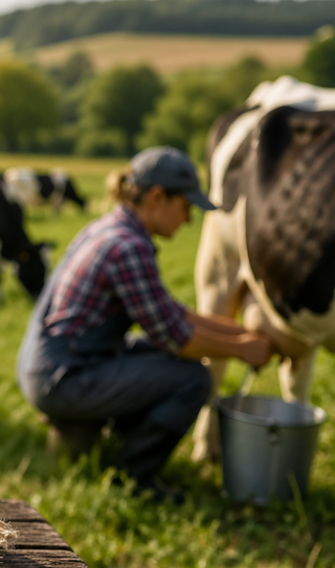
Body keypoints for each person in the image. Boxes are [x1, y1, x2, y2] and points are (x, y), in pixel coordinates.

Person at [17, 146, 272, 501]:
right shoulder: (127, 247)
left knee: (158, 355)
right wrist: (244, 350)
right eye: (185, 207)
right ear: (156, 197)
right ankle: (131, 477)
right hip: (64, 377)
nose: (187, 220)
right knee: (192, 377)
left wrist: (241, 333)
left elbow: (171, 313)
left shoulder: (112, 227)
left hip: (60, 363)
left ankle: (118, 445)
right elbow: (179, 339)